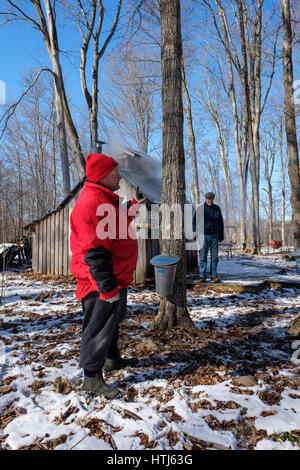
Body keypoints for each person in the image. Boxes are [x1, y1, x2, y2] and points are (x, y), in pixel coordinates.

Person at [70, 152, 143, 399]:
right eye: (115, 173)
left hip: (116, 277)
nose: (119, 177)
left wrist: (131, 210)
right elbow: (94, 251)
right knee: (97, 327)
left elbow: (114, 228)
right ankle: (91, 377)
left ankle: (112, 359)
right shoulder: (90, 204)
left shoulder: (105, 200)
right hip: (99, 281)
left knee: (113, 321)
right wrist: (106, 286)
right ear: (102, 177)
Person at [194, 192, 224, 283]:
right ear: (205, 199)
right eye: (208, 199)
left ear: (213, 199)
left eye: (211, 199)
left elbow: (220, 222)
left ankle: (214, 275)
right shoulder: (200, 208)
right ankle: (202, 276)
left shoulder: (216, 208)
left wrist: (221, 233)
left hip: (214, 235)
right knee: (203, 256)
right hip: (203, 235)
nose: (209, 200)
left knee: (214, 257)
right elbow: (195, 221)